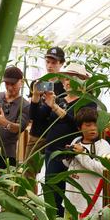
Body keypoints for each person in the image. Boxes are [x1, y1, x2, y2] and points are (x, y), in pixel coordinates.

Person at [31, 62, 96, 216]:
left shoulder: (87, 102)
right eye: (66, 78)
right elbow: (36, 118)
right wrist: (35, 97)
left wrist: (55, 108)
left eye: (73, 78)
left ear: (82, 81)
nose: (67, 82)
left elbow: (79, 124)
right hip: (52, 151)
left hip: (72, 152)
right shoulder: (59, 98)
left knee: (71, 193)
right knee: (51, 191)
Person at [63, 108, 110, 217]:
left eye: (95, 125)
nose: (93, 128)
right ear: (79, 127)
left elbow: (103, 169)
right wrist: (67, 156)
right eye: (88, 125)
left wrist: (82, 154)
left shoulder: (102, 145)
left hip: (91, 202)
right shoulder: (76, 141)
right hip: (71, 199)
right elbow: (68, 165)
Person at [25, 46, 66, 174]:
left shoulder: (65, 85)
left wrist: (51, 104)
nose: (50, 66)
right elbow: (33, 115)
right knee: (28, 173)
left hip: (56, 136)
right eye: (47, 62)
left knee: (54, 174)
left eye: (54, 62)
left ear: (61, 63)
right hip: (37, 134)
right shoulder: (37, 84)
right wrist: (36, 97)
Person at [0, 66, 30, 167]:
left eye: (13, 84)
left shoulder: (25, 105)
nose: (9, 87)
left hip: (6, 155)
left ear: (21, 82)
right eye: (6, 83)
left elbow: (19, 128)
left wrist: (5, 123)